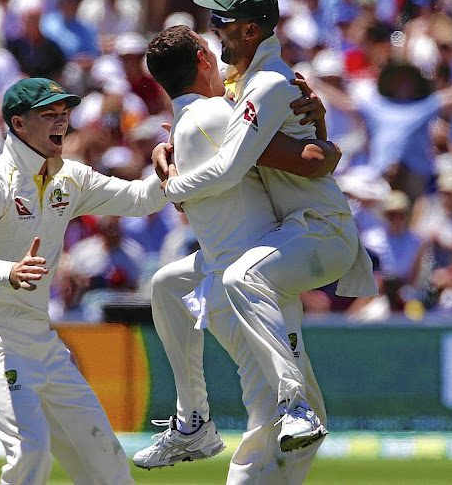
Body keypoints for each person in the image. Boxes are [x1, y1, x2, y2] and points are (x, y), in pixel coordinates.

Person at [160, 0, 377, 454]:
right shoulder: (239, 82)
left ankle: (292, 405)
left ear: (253, 30)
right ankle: (191, 420)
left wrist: (171, 184)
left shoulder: (268, 82)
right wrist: (170, 149)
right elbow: (310, 153)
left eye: (224, 23)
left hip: (322, 231)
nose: (215, 30)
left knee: (241, 278)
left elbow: (238, 165)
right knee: (166, 285)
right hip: (288, 232)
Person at [134, 24, 338, 482]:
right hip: (251, 293)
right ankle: (194, 423)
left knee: (166, 283)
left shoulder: (190, 123)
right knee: (267, 445)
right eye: (212, 51)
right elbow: (307, 160)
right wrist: (325, 137)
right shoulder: (212, 117)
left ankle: (193, 420)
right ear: (203, 60)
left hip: (225, 276)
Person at [0, 77, 171, 485]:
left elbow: (142, 199)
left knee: (106, 459)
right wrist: (10, 271)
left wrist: (171, 162)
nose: (61, 122)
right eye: (48, 114)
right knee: (31, 453)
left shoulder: (70, 178)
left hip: (41, 339)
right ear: (18, 123)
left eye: (64, 114)